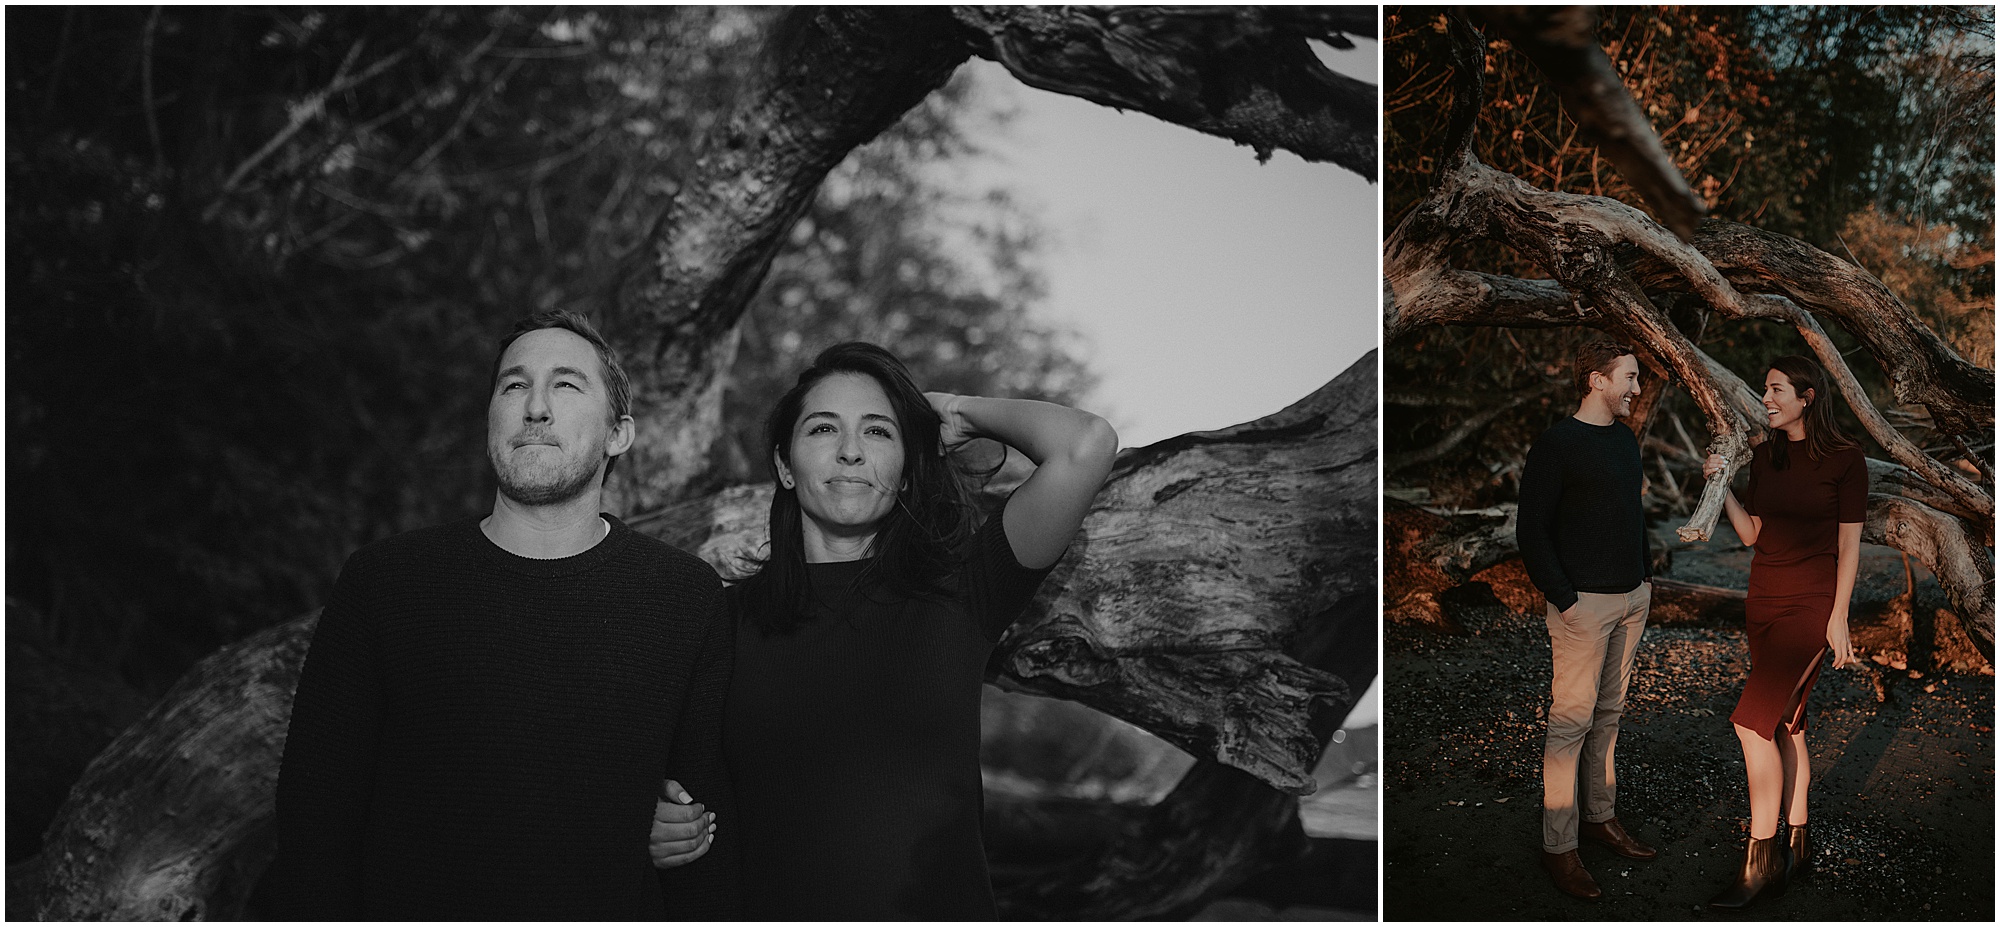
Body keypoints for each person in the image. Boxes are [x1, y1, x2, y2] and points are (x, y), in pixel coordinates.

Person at [270, 310, 738, 918]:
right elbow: (316, 816)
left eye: (567, 385)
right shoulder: (387, 583)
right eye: (514, 385)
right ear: (491, 417)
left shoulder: (684, 597)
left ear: (619, 434)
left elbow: (705, 820)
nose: (535, 407)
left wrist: (692, 828)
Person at [646, 342, 1117, 918]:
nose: (850, 452)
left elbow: (1085, 445)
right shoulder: (723, 620)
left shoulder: (967, 589)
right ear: (784, 467)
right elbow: (671, 780)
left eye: (878, 432)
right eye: (823, 430)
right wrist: (654, 819)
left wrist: (955, 412)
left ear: (907, 466)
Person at [1700, 355, 1865, 910]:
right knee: (1789, 725)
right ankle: (1801, 840)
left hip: (1810, 607)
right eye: (1764, 389)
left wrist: (1838, 616)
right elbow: (1753, 534)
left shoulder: (1846, 460)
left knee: (1751, 724)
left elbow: (1848, 546)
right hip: (1763, 603)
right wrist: (1721, 487)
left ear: (1808, 396)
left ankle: (1761, 860)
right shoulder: (1766, 456)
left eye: (1775, 390)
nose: (1765, 399)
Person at [1515, 337, 1659, 900]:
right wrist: (1566, 599)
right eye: (1629, 376)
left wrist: (1645, 577)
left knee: (1609, 715)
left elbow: (1632, 513)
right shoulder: (1556, 445)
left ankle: (1601, 818)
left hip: (1632, 600)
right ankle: (1560, 847)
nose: (1637, 388)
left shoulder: (1624, 440)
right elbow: (1531, 531)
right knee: (1570, 723)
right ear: (1597, 380)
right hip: (1584, 606)